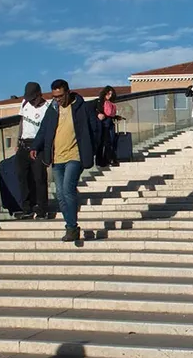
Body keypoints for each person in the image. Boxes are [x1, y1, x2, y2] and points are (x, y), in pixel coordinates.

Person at [30, 79, 100, 242]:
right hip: (56, 157)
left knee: (68, 189)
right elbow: (43, 130)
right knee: (60, 194)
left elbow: (94, 128)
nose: (58, 99)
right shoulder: (52, 109)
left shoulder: (81, 107)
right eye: (54, 96)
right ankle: (72, 227)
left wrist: (92, 149)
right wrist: (35, 146)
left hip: (75, 156)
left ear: (68, 92)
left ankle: (71, 227)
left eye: (60, 95)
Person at [16, 82, 50, 219]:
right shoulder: (25, 104)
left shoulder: (47, 108)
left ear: (39, 95)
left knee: (39, 178)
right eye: (29, 99)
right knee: (22, 177)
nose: (31, 102)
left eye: (33, 99)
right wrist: (18, 141)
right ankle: (26, 208)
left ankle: (42, 208)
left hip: (38, 144)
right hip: (24, 143)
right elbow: (21, 122)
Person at [93, 86, 122, 167]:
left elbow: (109, 114)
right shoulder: (98, 102)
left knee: (110, 141)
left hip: (109, 123)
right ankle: (102, 161)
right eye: (108, 93)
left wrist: (116, 117)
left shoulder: (110, 103)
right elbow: (91, 110)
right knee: (103, 142)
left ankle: (108, 159)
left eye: (111, 94)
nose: (110, 95)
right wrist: (98, 114)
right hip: (102, 125)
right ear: (104, 93)